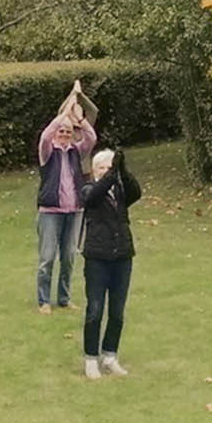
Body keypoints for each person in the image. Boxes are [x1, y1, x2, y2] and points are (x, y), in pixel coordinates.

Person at [33, 80, 98, 313]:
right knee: (47, 258)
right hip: (50, 212)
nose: (63, 133)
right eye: (61, 131)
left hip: (75, 211)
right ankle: (43, 300)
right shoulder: (47, 151)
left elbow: (91, 139)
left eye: (67, 132)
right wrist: (67, 109)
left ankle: (64, 298)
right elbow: (45, 134)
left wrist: (78, 119)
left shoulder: (76, 152)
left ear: (72, 136)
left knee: (69, 257)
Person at [78, 145, 142, 379]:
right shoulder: (88, 188)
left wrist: (123, 171)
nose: (108, 172)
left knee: (117, 311)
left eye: (110, 167)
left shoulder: (121, 191)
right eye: (103, 168)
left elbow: (136, 192)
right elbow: (93, 197)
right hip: (97, 258)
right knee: (95, 310)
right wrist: (108, 177)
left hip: (122, 256)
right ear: (95, 171)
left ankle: (110, 355)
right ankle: (91, 359)